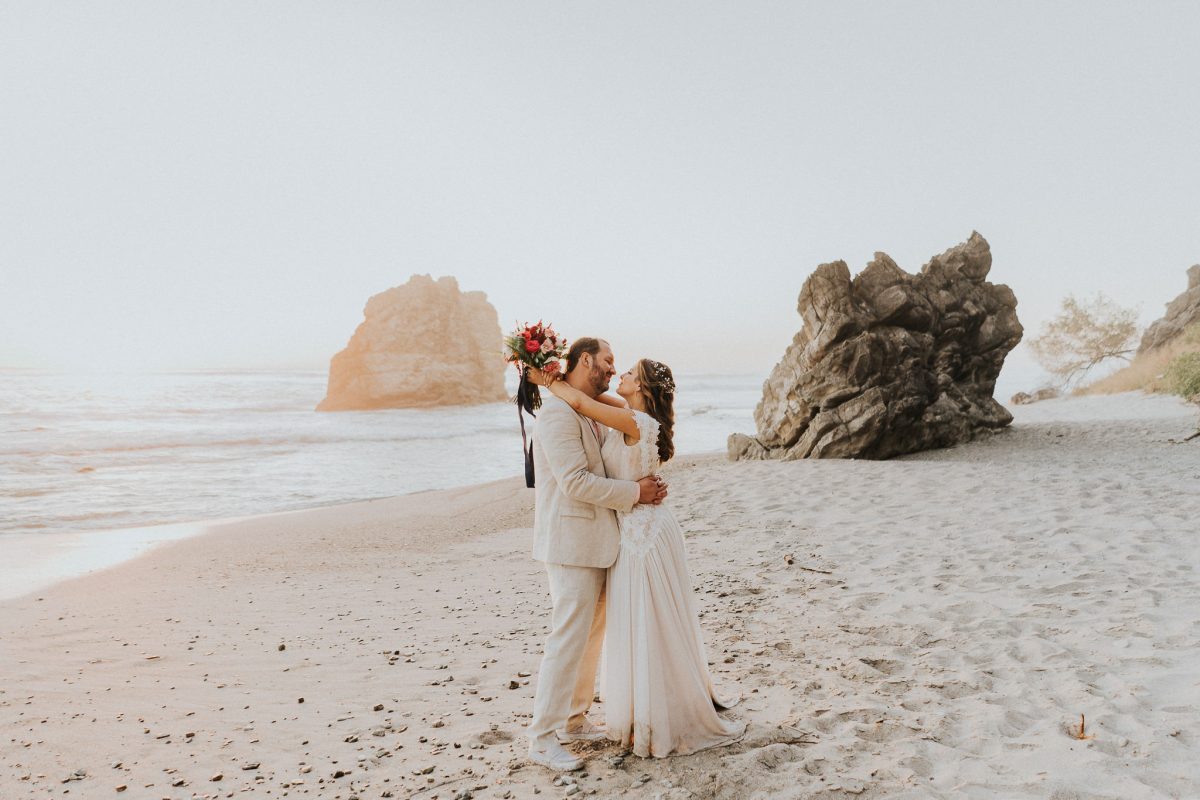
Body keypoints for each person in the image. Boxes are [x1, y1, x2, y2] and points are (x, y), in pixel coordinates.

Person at [529, 353, 746, 760]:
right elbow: (584, 400)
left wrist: (546, 378)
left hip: (639, 532)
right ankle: (565, 724)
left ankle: (637, 712)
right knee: (628, 624)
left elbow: (581, 401)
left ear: (642, 387)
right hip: (627, 532)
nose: (619, 372)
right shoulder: (627, 413)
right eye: (613, 364)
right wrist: (554, 377)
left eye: (627, 371)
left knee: (647, 623)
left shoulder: (634, 421)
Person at [526, 337, 669, 771]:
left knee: (589, 638)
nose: (612, 368)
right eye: (607, 361)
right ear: (585, 359)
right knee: (567, 638)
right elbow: (575, 482)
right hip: (571, 543)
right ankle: (542, 737)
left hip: (602, 542)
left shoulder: (588, 410)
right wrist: (635, 493)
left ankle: (573, 718)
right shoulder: (557, 414)